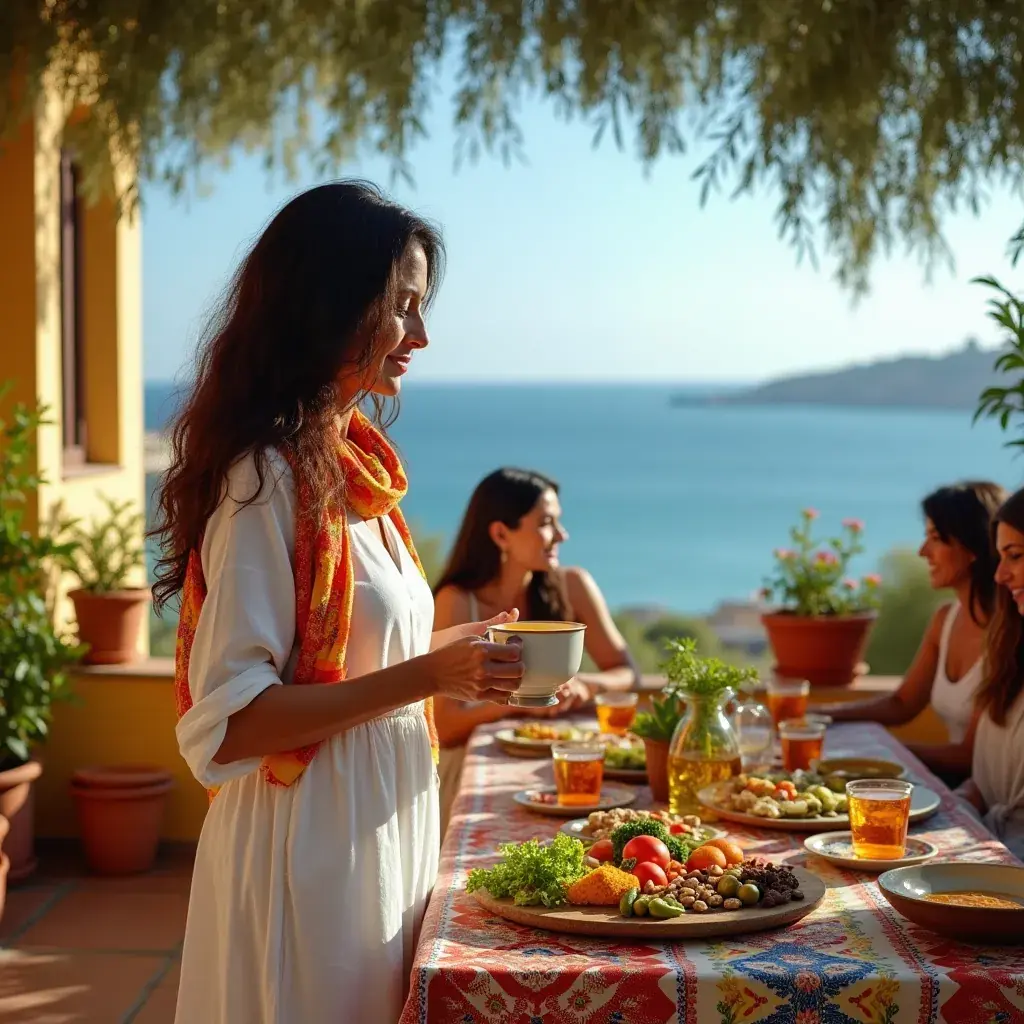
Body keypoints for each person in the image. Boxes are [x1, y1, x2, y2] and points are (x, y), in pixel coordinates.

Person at [153, 181, 525, 1024]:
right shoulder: (266, 479)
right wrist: (429, 675)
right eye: (401, 306)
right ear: (330, 305)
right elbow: (233, 723)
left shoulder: (356, 474)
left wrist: (456, 655)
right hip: (309, 847)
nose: (420, 335)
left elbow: (365, 656)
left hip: (377, 823)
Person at [432, 467, 640, 833]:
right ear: (501, 534)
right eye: (546, 523)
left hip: (560, 766)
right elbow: (445, 725)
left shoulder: (573, 586)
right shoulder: (457, 602)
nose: (561, 534)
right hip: (474, 773)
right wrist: (519, 701)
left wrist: (585, 685)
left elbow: (627, 673)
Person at [811, 482, 1005, 784]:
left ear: (972, 547)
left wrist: (876, 753)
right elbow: (902, 703)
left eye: (935, 538)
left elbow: (968, 757)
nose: (922, 551)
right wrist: (819, 714)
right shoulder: (945, 619)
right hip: (953, 785)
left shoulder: (1006, 635)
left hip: (983, 794)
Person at [957, 487, 1024, 859]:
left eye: (1015, 555)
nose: (1000, 575)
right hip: (988, 849)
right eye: (1000, 557)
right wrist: (954, 805)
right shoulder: (1009, 654)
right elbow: (983, 784)